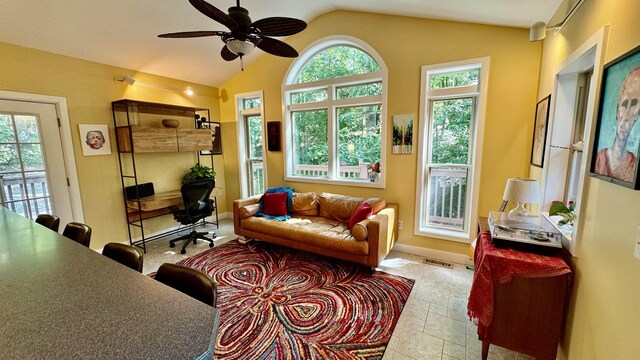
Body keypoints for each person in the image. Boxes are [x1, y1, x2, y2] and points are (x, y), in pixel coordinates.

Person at [594, 67, 640, 182]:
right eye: (624, 104)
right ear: (617, 110)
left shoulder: (634, 166)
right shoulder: (598, 160)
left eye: (634, 104)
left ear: (637, 115)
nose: (626, 115)